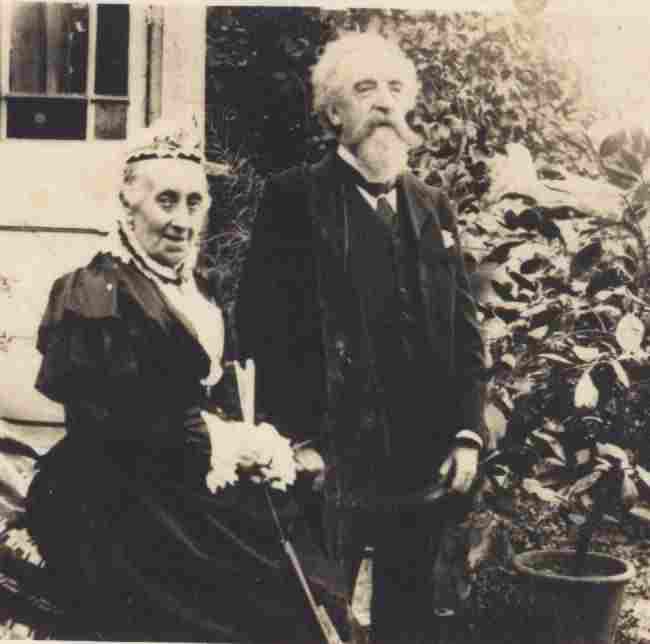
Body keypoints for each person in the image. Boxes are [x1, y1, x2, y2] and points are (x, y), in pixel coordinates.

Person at [25, 118, 345, 643]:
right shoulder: (95, 291)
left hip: (191, 479)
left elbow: (220, 394)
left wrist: (257, 440)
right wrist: (222, 442)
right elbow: (107, 420)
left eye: (195, 203)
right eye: (166, 201)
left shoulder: (201, 288)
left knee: (304, 583)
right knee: (234, 602)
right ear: (129, 205)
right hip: (120, 493)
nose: (182, 221)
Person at [236, 32, 487, 644]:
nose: (383, 102)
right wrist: (293, 440)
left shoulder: (434, 207)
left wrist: (467, 432)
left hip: (421, 463)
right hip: (329, 463)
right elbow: (258, 328)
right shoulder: (292, 199)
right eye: (365, 88)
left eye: (395, 89)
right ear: (332, 112)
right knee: (314, 621)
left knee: (411, 623)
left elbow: (465, 331)